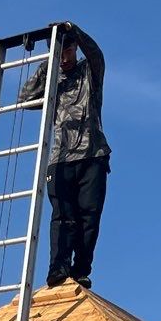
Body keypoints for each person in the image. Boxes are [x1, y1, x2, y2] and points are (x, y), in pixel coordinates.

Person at [19, 22, 110, 290]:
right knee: (62, 216)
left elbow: (96, 55)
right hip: (60, 158)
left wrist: (75, 31)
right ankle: (58, 269)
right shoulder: (52, 82)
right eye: (59, 51)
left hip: (92, 154)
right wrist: (48, 62)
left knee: (89, 217)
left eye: (67, 50)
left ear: (74, 49)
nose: (64, 56)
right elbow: (25, 97)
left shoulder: (88, 73)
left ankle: (81, 269)